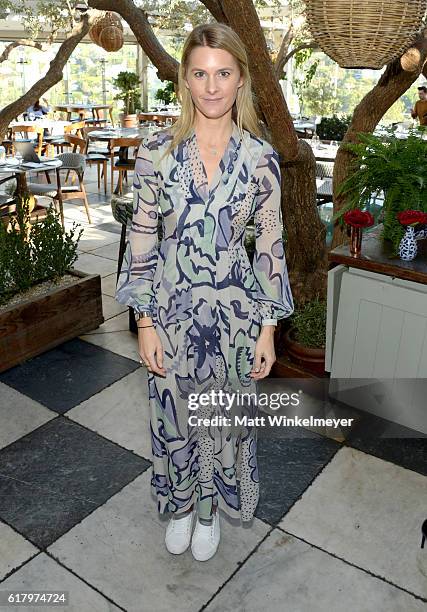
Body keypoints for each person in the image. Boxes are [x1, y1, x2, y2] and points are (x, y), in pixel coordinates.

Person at [115, 22, 294, 562]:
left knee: (225, 422)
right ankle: (181, 502)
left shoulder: (262, 159)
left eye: (223, 73)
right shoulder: (155, 154)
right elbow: (142, 242)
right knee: (174, 416)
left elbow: (270, 249)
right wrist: (144, 323)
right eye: (200, 73)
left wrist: (268, 330)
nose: (212, 86)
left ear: (241, 80)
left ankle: (209, 510)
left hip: (238, 319)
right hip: (170, 312)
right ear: (185, 81)